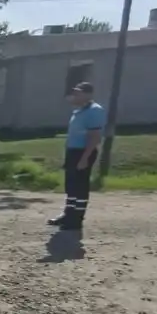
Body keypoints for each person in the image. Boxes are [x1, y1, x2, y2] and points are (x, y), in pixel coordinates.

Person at [49, 82, 105, 231]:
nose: (75, 95)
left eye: (78, 93)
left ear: (88, 94)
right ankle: (68, 215)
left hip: (83, 151)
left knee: (80, 186)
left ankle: (76, 219)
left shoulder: (94, 110)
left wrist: (85, 158)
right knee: (71, 185)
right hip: (73, 151)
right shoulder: (78, 111)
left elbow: (95, 137)